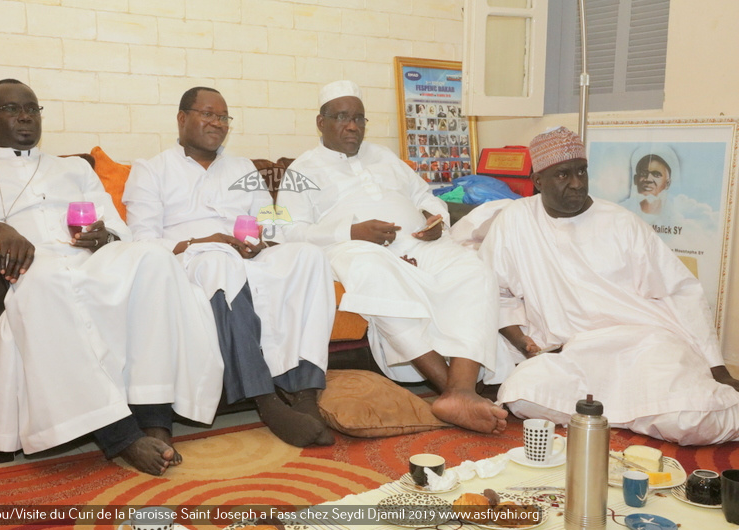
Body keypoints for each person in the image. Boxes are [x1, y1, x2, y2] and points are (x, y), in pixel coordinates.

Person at [0, 79, 225, 475]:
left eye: (32, 108)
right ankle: (120, 436)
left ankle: (155, 416)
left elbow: (111, 219)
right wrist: (0, 230)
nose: (24, 115)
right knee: (48, 282)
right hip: (33, 266)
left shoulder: (73, 168)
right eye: (11, 109)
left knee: (153, 259)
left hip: (90, 260)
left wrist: (103, 235)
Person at [478, 126, 739, 445]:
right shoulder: (516, 220)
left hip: (641, 343)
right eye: (563, 175)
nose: (576, 183)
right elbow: (497, 292)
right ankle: (637, 415)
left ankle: (636, 413)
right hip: (572, 350)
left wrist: (717, 366)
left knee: (691, 419)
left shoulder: (622, 223)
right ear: (538, 181)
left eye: (581, 171)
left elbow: (681, 292)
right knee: (522, 395)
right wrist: (524, 344)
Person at [276, 80, 507, 434]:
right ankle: (454, 389)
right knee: (372, 270)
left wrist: (436, 220)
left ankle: (459, 392)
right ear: (321, 123)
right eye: (341, 117)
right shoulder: (301, 171)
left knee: (474, 271)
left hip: (419, 244)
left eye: (359, 118)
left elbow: (426, 196)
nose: (352, 126)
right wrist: (350, 232)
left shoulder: (384, 156)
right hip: (355, 249)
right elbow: (285, 231)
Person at [123, 87, 336, 448]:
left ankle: (305, 393)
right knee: (217, 263)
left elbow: (270, 221)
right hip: (189, 259)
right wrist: (203, 241)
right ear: (181, 117)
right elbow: (141, 241)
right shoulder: (150, 170)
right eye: (207, 114)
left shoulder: (242, 168)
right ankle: (266, 401)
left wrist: (259, 242)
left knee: (309, 256)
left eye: (223, 117)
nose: (216, 123)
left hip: (244, 256)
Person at [619, 145, 681, 224]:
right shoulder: (620, 211)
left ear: (667, 183)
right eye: (643, 173)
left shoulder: (676, 218)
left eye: (656, 174)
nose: (648, 179)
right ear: (635, 179)